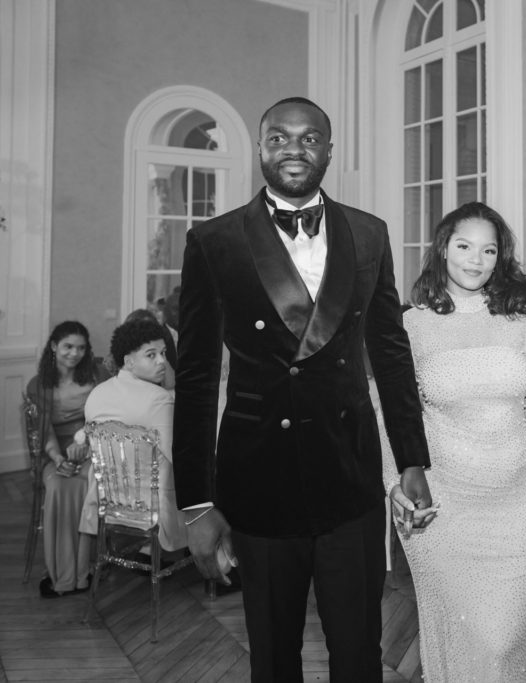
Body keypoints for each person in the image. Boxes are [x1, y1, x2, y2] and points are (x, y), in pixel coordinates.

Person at [173, 96, 433, 682]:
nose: (294, 148)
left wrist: (412, 458)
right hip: (259, 480)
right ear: (260, 149)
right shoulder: (213, 240)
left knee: (359, 652)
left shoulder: (369, 233)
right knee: (273, 656)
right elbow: (195, 378)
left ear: (329, 151)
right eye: (279, 138)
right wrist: (195, 504)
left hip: (350, 477)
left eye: (309, 138)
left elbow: (391, 354)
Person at [383, 202, 526, 682]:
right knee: (463, 630)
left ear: (500, 257)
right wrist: (393, 486)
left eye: (489, 250)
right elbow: (391, 418)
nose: (476, 260)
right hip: (444, 505)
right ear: (444, 249)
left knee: (505, 638)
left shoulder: (522, 323)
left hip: (515, 503)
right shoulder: (412, 325)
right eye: (465, 246)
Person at [79, 319, 186, 552]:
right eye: (151, 355)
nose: (162, 361)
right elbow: (179, 457)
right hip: (155, 510)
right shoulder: (158, 399)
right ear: (128, 362)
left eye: (163, 353)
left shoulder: (97, 393)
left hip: (107, 504)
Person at [26, 321, 109, 598]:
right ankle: (63, 575)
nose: (75, 353)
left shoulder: (98, 374)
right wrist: (58, 458)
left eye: (81, 348)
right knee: (59, 485)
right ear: (54, 346)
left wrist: (85, 443)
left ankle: (86, 570)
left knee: (87, 482)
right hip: (56, 451)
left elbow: (109, 415)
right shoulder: (38, 384)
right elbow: (44, 429)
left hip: (94, 445)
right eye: (68, 347)